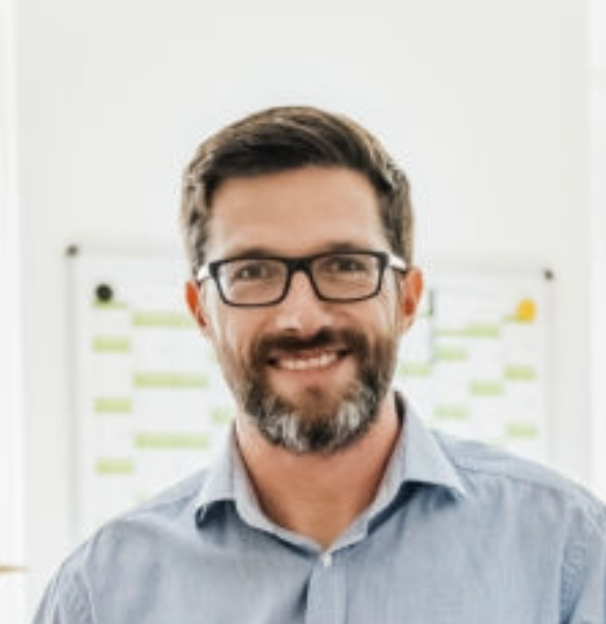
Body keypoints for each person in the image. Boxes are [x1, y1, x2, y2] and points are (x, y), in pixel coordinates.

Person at [33, 106, 606, 623]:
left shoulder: (565, 551)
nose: (301, 317)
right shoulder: (101, 595)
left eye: (346, 265)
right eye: (252, 272)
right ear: (201, 311)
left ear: (407, 299)